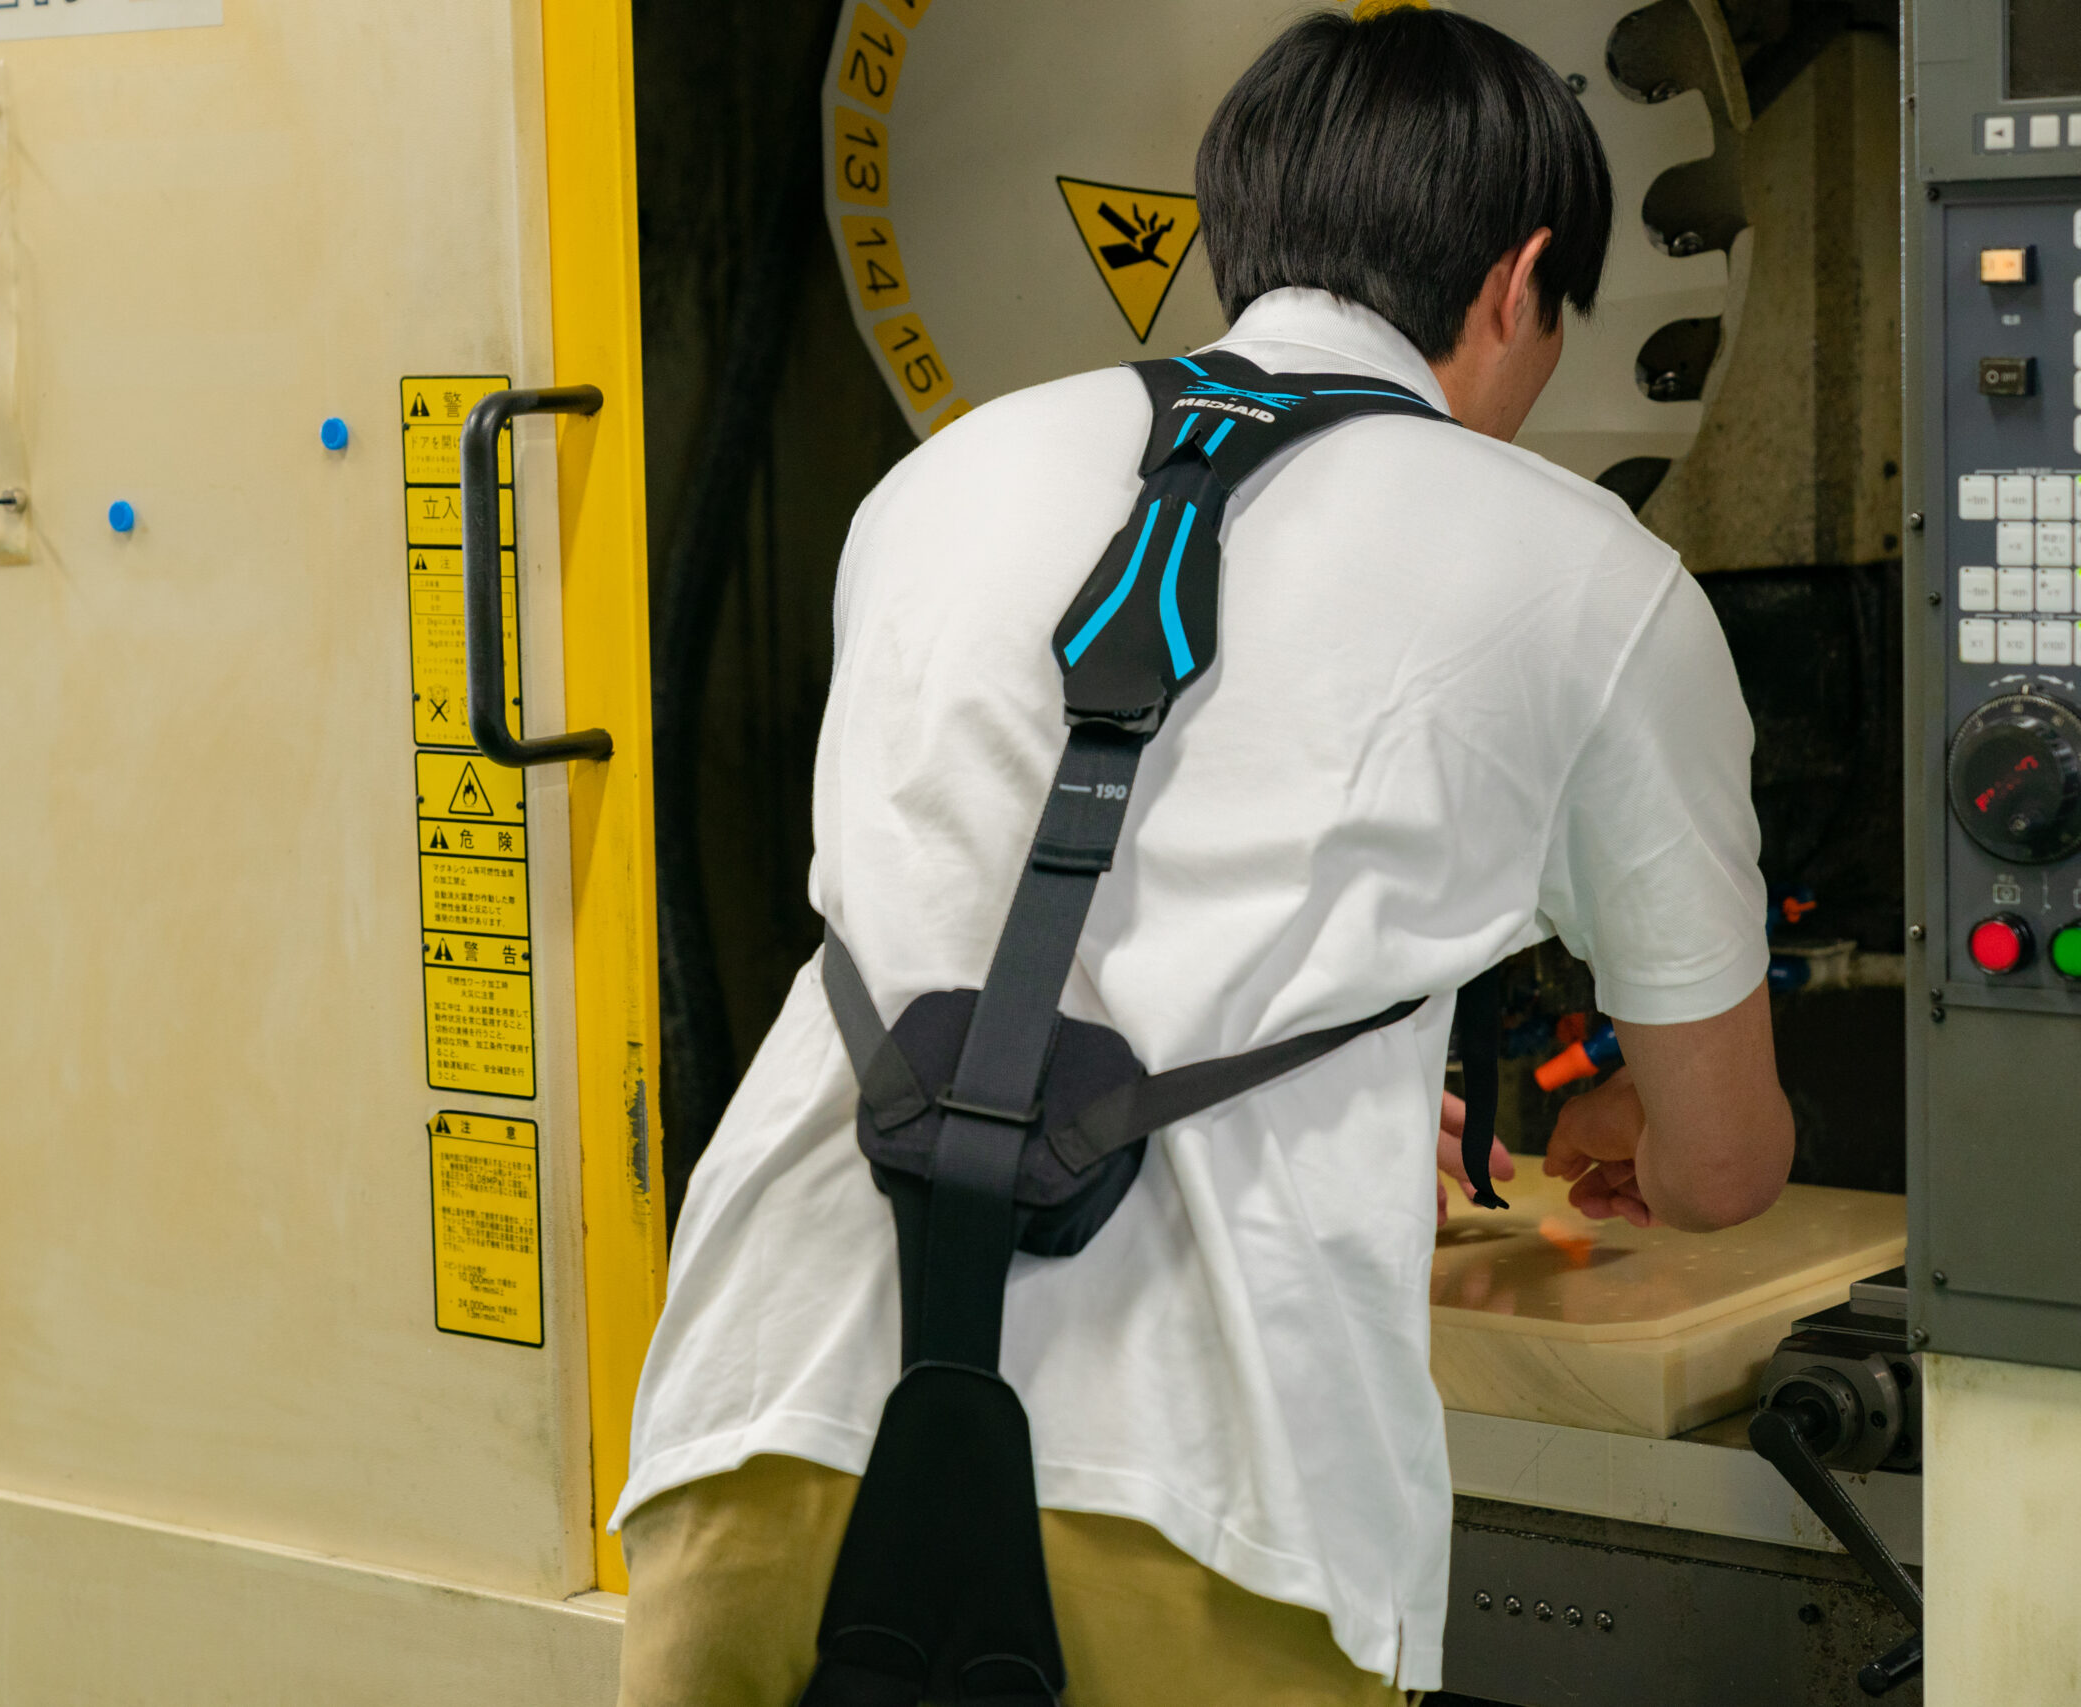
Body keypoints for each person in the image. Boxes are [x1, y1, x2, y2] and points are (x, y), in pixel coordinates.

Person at [613, 4, 1795, 1702]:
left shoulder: (936, 480)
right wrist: (1638, 1132)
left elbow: (987, 905)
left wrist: (1347, 1093)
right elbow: (1727, 1166)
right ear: (1524, 277)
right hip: (1198, 1504)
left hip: (761, 1430)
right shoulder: (1596, 577)